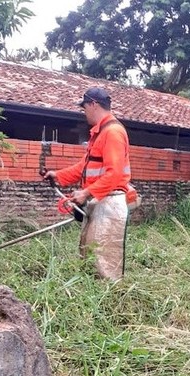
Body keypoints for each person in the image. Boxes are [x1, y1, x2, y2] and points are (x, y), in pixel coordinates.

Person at [44, 87, 131, 281]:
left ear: (93, 104)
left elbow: (114, 174)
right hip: (99, 200)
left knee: (104, 261)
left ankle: (110, 304)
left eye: (84, 107)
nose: (83, 112)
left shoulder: (113, 132)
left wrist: (86, 193)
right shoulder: (100, 134)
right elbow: (84, 167)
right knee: (89, 254)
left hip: (110, 202)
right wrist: (57, 176)